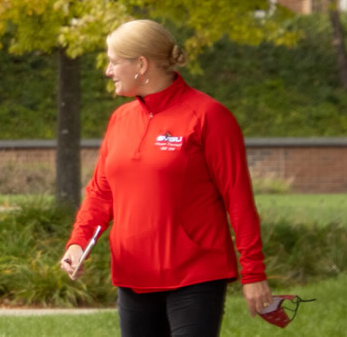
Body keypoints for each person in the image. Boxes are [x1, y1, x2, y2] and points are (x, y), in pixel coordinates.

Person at [58, 19, 272, 337]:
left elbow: (238, 199)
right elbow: (102, 193)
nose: (107, 70)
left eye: (114, 62)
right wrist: (78, 242)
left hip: (195, 274)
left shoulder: (209, 116)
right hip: (133, 276)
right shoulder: (120, 120)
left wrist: (253, 273)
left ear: (141, 65)